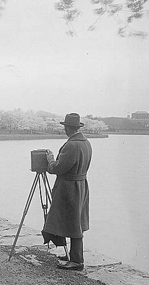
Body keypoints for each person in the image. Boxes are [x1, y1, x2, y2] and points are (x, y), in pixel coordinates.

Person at [42, 113, 92, 271]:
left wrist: (50, 160)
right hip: (81, 184)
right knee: (75, 221)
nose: (64, 130)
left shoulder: (72, 145)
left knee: (73, 223)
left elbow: (58, 168)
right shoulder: (86, 143)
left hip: (69, 188)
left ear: (68, 128)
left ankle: (77, 261)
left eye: (65, 127)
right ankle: (72, 255)